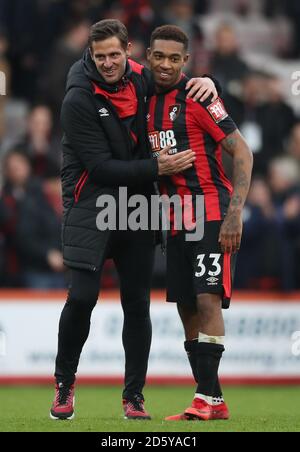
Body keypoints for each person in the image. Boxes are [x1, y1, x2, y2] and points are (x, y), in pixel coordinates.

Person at [50, 19, 218, 421]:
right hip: (91, 205)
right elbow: (101, 167)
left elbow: (176, 79)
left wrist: (207, 84)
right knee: (83, 298)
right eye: (100, 56)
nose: (108, 63)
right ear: (90, 55)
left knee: (137, 305)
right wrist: (158, 166)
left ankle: (134, 397)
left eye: (114, 54)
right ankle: (65, 383)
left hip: (138, 206)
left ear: (129, 51)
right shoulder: (78, 98)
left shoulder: (142, 77)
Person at [146, 25, 253, 421]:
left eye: (175, 59)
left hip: (211, 213)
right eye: (159, 56)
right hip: (174, 222)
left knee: (207, 300)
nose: (166, 65)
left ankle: (204, 400)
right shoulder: (143, 97)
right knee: (187, 308)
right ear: (148, 55)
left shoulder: (197, 98)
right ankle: (213, 398)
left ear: (186, 61)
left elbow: (242, 152)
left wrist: (234, 213)